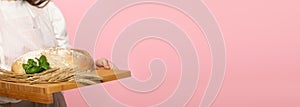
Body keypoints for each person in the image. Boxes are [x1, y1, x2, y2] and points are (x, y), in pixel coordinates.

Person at [0, 0, 116, 106]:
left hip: (52, 100)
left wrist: (91, 66)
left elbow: (62, 56)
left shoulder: (45, 7)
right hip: (13, 103)